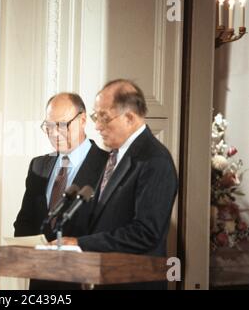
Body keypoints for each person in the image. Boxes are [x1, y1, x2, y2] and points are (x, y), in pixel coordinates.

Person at [53, 79, 178, 289]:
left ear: (129, 117)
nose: (97, 126)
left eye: (104, 118)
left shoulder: (154, 159)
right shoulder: (115, 155)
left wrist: (81, 244)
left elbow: (145, 233)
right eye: (96, 116)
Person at [14, 92, 108, 289]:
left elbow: (109, 231)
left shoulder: (107, 166)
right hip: (41, 284)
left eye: (62, 125)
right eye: (49, 126)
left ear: (82, 120)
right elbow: (24, 222)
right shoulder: (38, 166)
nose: (55, 133)